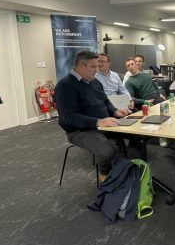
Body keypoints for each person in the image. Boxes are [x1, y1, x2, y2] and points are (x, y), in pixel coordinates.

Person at [54, 51, 132, 182]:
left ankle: (127, 171)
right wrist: (98, 122)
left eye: (98, 66)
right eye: (93, 66)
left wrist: (115, 112)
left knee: (135, 136)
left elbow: (105, 102)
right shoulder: (65, 85)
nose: (97, 69)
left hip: (103, 124)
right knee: (107, 150)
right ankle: (105, 176)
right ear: (81, 66)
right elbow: (70, 117)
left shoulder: (95, 82)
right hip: (80, 130)